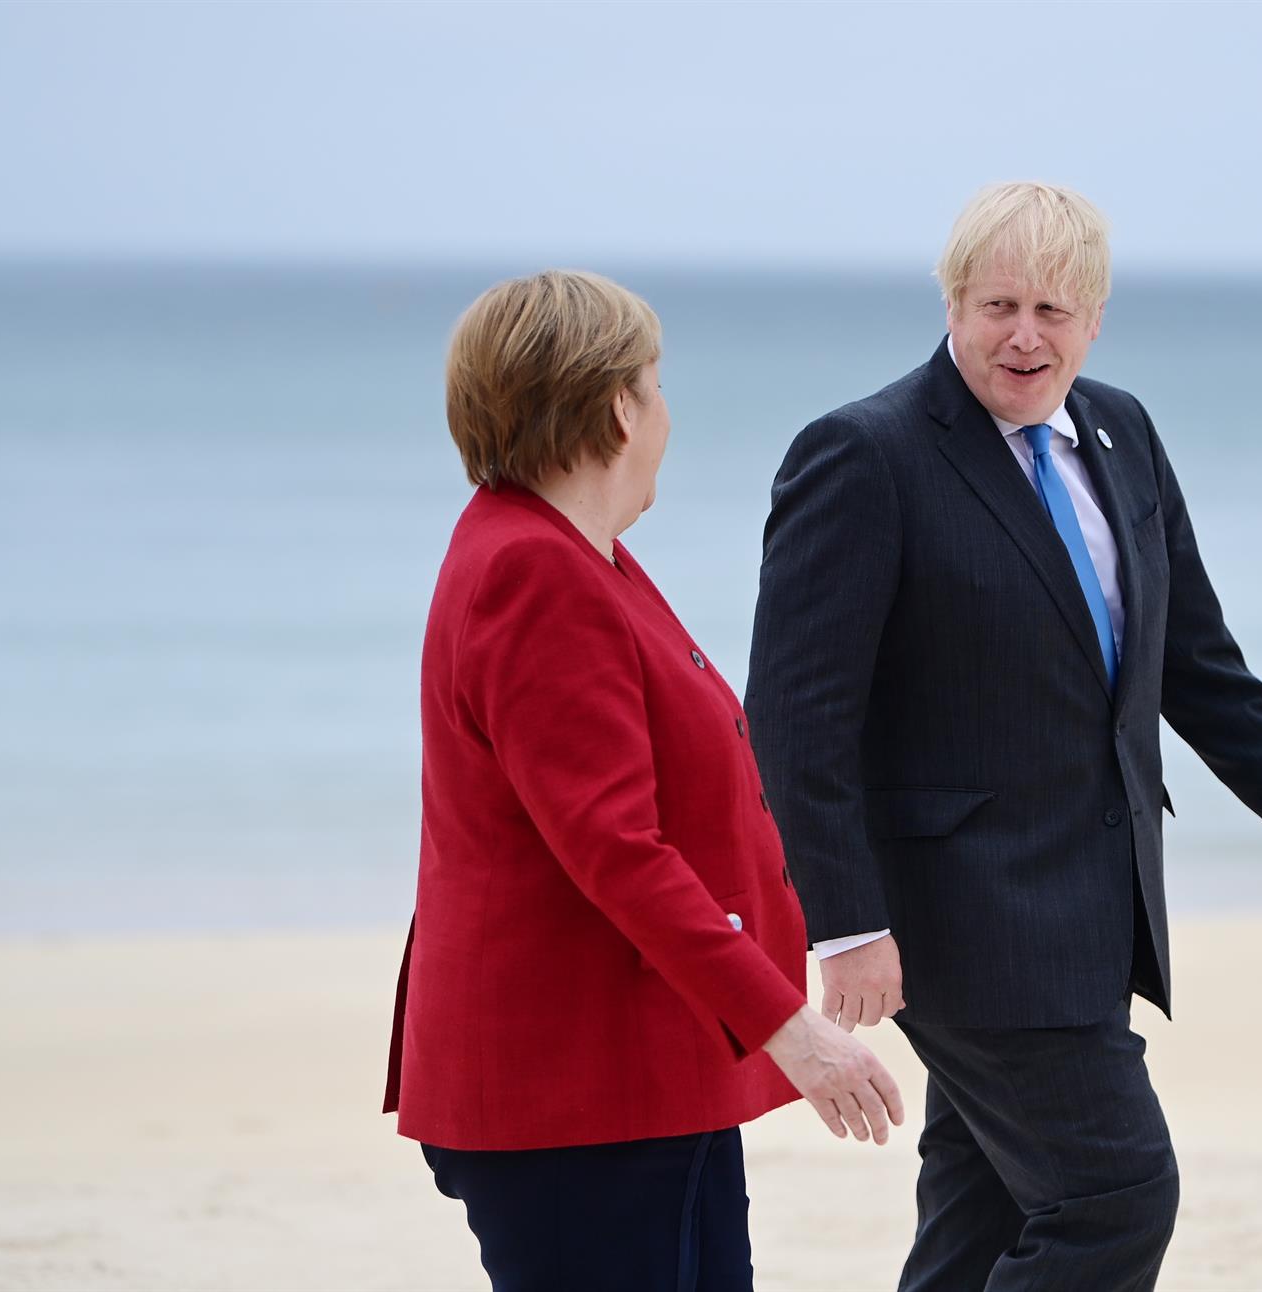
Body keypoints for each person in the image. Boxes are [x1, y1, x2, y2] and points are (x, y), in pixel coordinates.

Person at [744, 183, 1262, 1290]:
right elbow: (800, 714)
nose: (1025, 335)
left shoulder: (1123, 432)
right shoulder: (864, 453)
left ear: (1095, 318)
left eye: (1052, 307)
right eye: (997, 304)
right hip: (962, 922)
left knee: (980, 1220)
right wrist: (845, 923)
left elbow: (1190, 655)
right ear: (950, 303)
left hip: (1096, 902)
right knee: (1116, 1193)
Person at [383, 269, 902, 1292]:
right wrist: (787, 1025)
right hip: (576, 1088)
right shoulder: (533, 569)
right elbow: (614, 849)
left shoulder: (580, 552)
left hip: (648, 1076)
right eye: (657, 384)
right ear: (617, 405)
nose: (668, 410)